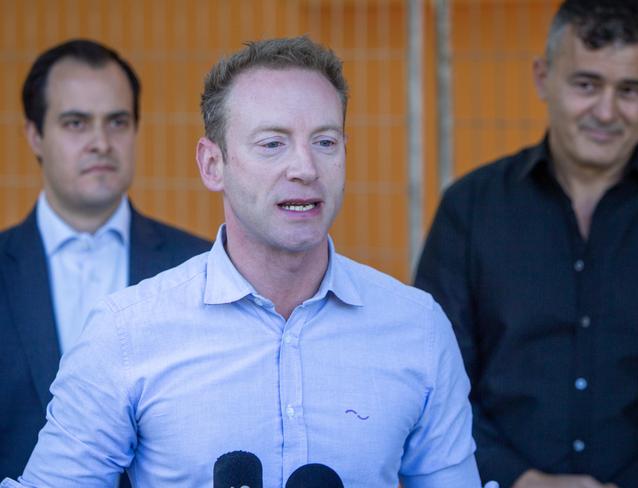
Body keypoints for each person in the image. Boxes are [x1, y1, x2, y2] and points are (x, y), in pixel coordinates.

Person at [0, 36, 481, 487]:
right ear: (213, 165)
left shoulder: (417, 328)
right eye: (272, 143)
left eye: (325, 142)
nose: (305, 168)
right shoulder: (126, 333)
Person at [414, 1, 638, 487]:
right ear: (543, 78)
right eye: (586, 85)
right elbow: (433, 379)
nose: (606, 112)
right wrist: (522, 480)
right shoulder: (471, 207)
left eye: (630, 90)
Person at [0, 39, 211, 482]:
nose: (101, 142)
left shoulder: (201, 267)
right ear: (35, 135)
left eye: (117, 122)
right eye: (76, 123)